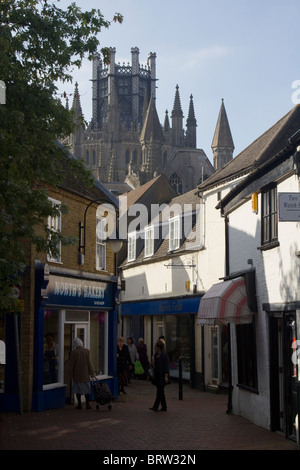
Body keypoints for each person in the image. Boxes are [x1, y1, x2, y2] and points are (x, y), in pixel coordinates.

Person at [69, 337, 95, 409]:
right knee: (87, 390)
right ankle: (87, 404)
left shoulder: (73, 353)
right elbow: (89, 363)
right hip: (85, 374)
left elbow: (71, 365)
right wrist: (92, 373)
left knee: (78, 390)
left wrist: (70, 375)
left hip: (77, 375)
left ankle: (79, 404)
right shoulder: (87, 351)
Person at [149, 339, 169, 412]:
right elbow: (155, 366)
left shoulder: (164, 356)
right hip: (157, 376)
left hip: (162, 376)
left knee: (159, 392)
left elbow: (166, 367)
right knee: (161, 392)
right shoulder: (155, 355)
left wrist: (166, 376)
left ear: (159, 348)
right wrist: (152, 364)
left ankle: (155, 407)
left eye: (156, 347)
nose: (155, 349)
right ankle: (164, 407)